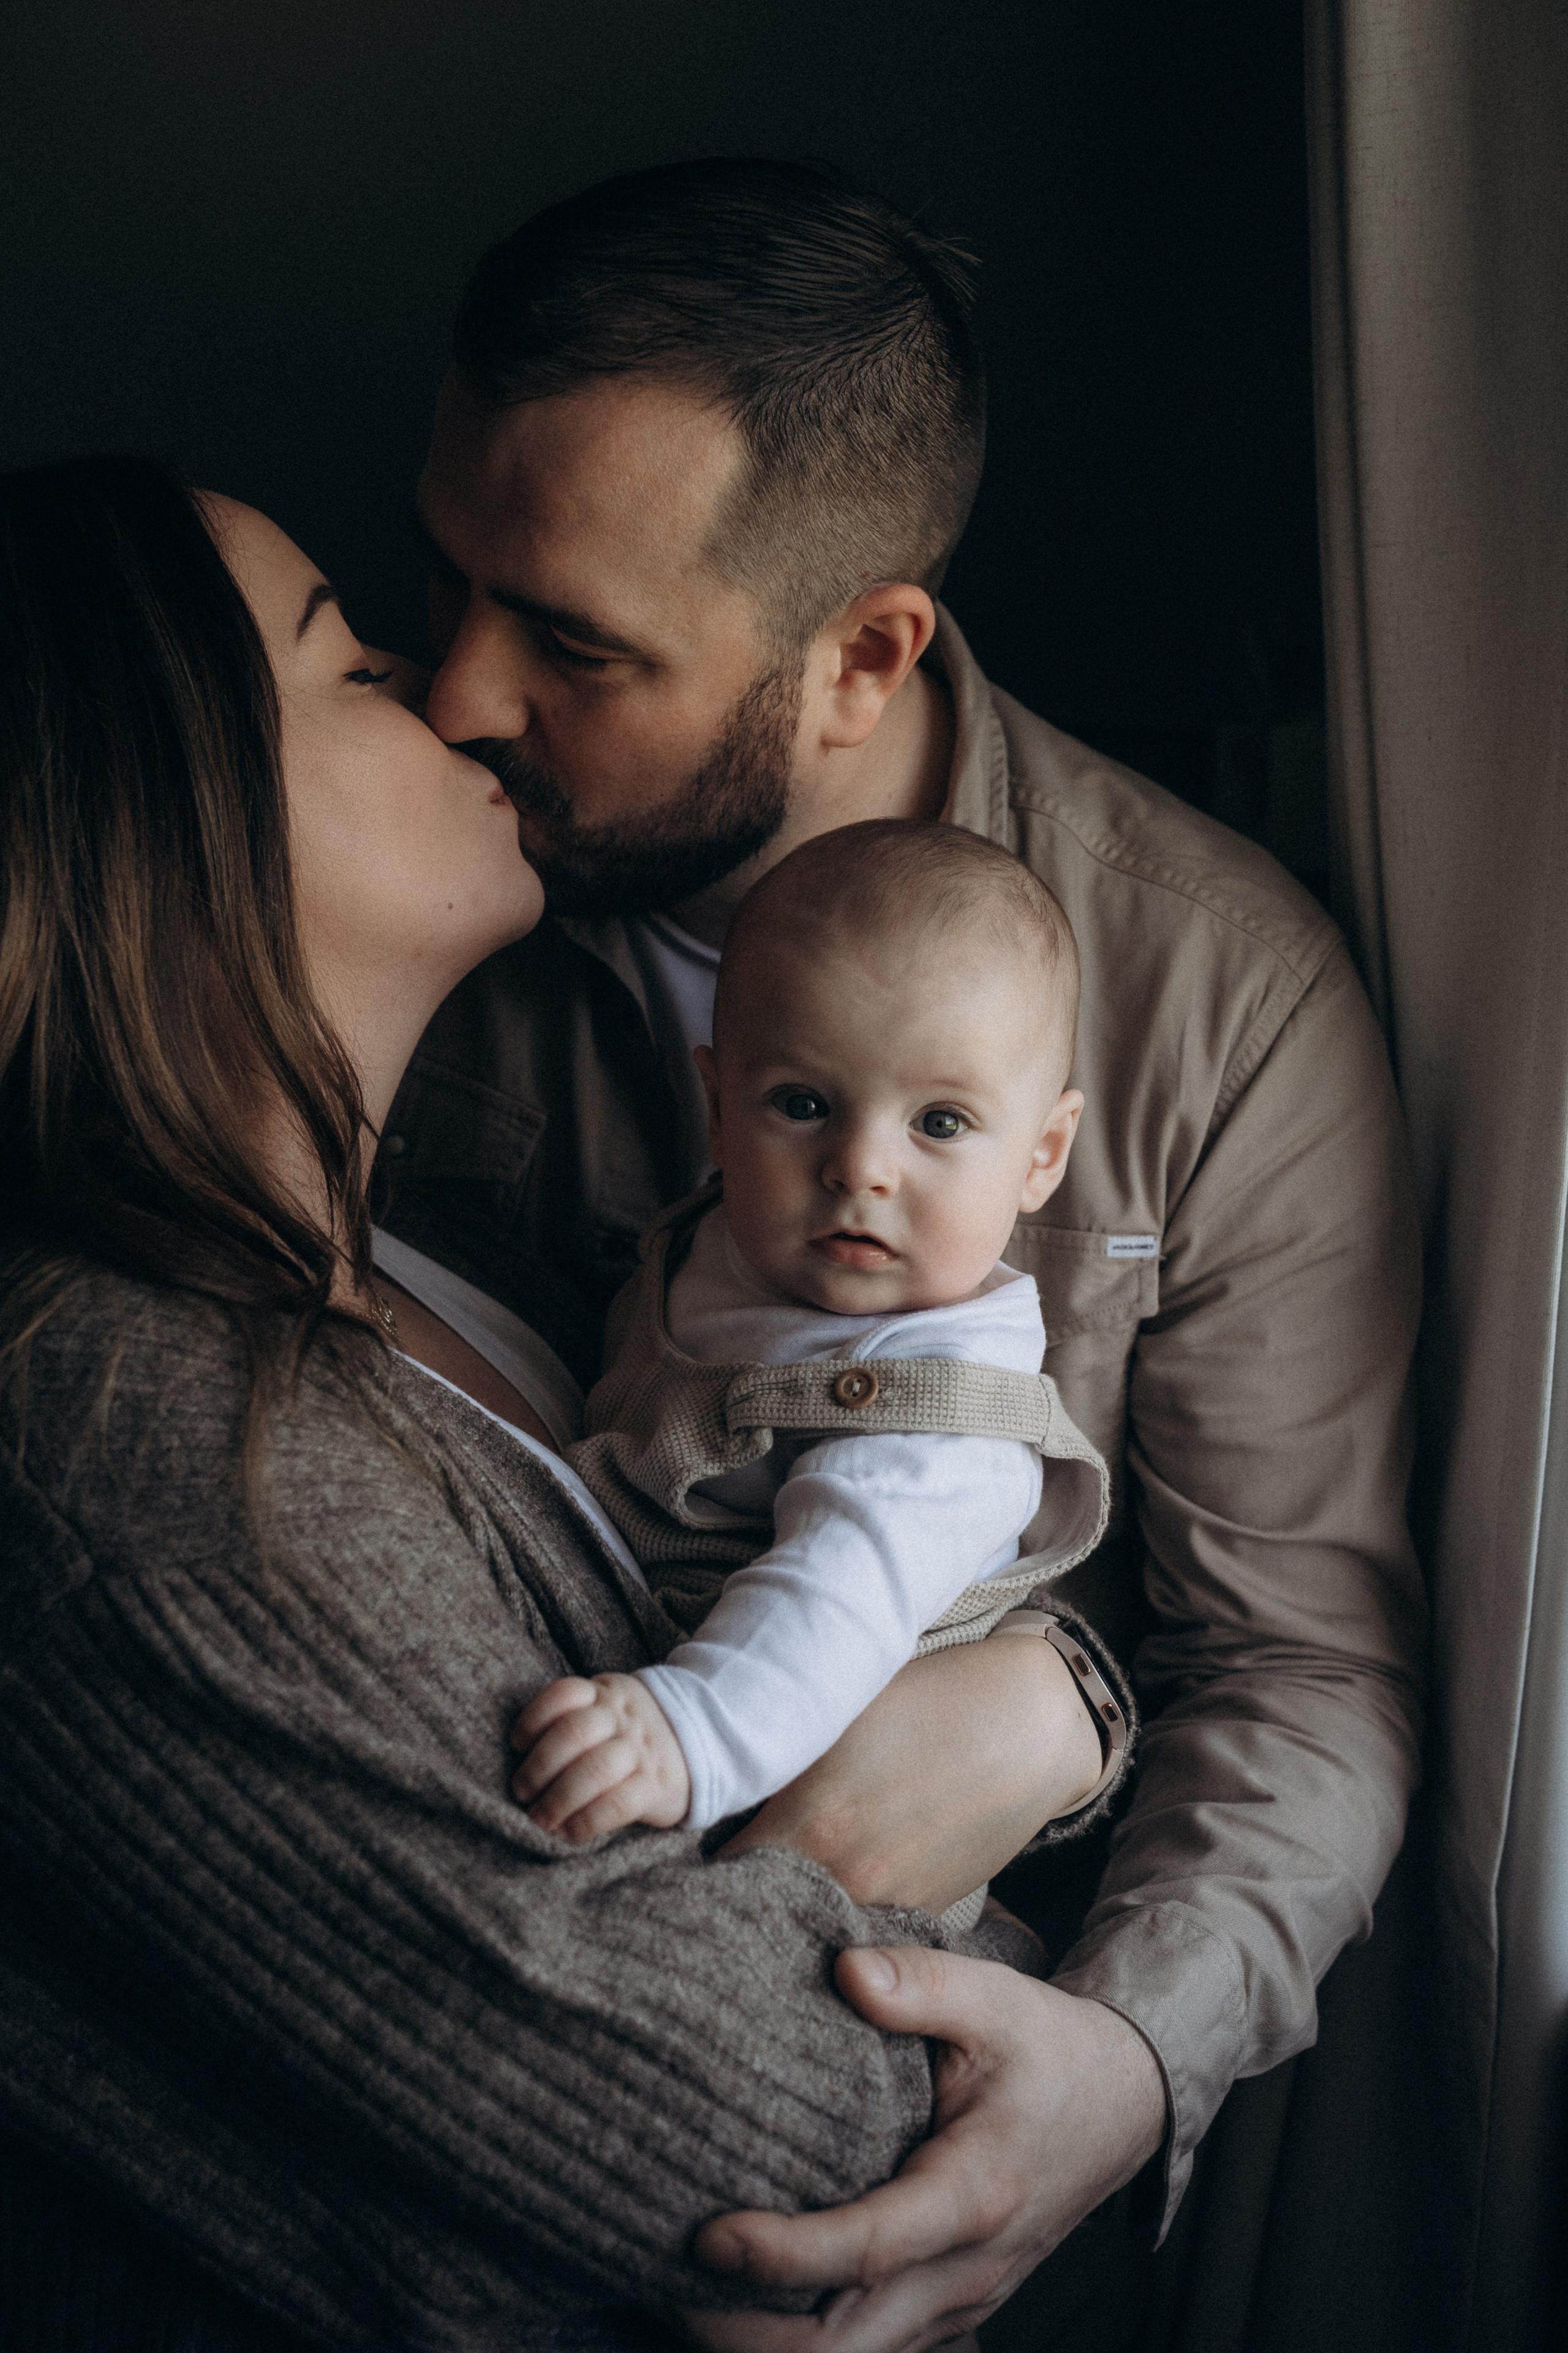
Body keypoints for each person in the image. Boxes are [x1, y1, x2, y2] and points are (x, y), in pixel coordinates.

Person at [381, 156, 1427, 2344]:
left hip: (909, 2040)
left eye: (570, 638)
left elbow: (1303, 1666)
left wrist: (1121, 2066)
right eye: (446, 572)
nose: (459, 691)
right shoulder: (400, 876)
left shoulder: (1221, 1008)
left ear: (866, 654)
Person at [0, 455, 1139, 2352]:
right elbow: (743, 2136)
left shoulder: (434, 1268)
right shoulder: (122, 1436)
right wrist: (1036, 1997)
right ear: (159, 815)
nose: (450, 693)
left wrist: (1061, 1708)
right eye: (349, 665)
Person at [515, 820, 1123, 1879]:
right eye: (803, 1105)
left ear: (1042, 1155)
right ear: (716, 1105)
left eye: (940, 1121)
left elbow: (836, 1598)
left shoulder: (945, 1420)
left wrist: (691, 1728)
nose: (859, 1167)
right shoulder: (724, 1244)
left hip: (814, 1790)